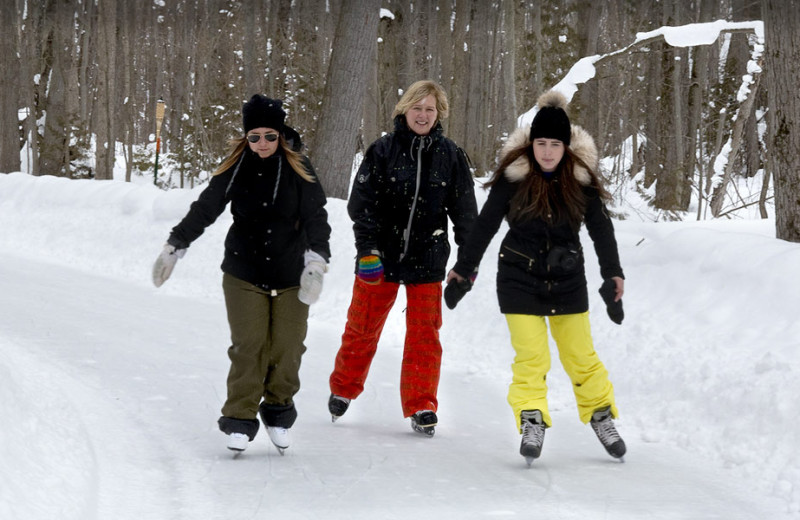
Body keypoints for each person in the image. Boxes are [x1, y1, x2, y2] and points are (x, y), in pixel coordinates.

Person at [446, 90, 626, 464]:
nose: (546, 151)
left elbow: (601, 230)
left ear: (566, 147)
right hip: (518, 277)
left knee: (581, 355)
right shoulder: (514, 178)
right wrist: (465, 268)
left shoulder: (580, 181)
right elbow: (485, 226)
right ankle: (532, 418)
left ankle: (601, 415)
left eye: (554, 144)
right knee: (532, 358)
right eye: (540, 143)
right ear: (531, 145)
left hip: (567, 278)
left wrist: (612, 274)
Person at [151, 95, 331, 454]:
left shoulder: (300, 169)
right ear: (245, 138)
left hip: (291, 273)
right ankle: (240, 418)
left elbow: (316, 217)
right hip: (243, 271)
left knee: (288, 347)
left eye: (269, 136)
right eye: (254, 137)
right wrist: (176, 244)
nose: (261, 144)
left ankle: (278, 411)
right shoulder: (236, 167)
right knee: (250, 345)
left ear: (281, 135)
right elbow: (207, 206)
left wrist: (316, 261)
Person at [327, 80, 478, 436]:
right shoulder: (382, 151)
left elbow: (466, 215)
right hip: (380, 256)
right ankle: (343, 388)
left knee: (425, 335)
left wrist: (466, 265)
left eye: (430, 109)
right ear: (404, 111)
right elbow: (361, 206)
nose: (423, 115)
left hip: (428, 257)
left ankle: (422, 405)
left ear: (438, 114)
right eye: (417, 108)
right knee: (362, 327)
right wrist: (368, 250)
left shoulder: (451, 155)